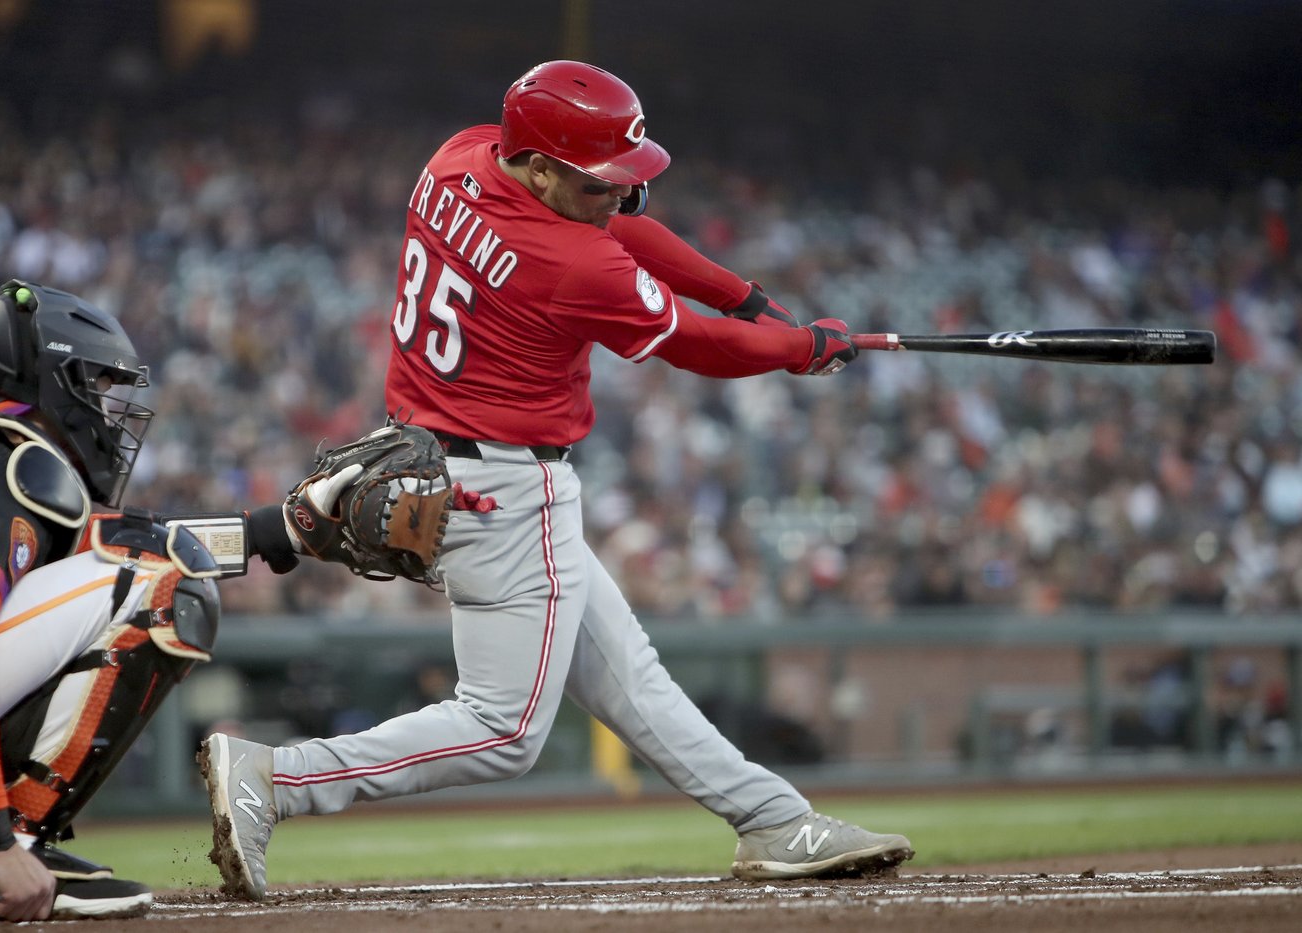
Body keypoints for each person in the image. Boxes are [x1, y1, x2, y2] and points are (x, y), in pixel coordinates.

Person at [200, 60, 912, 900]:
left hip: (431, 454)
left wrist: (746, 296)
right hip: (505, 490)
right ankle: (275, 778)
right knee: (504, 728)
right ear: (540, 168)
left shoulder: (459, 157)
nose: (619, 196)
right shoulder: (571, 265)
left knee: (630, 677)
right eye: (600, 181)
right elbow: (696, 346)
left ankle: (773, 819)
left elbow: (620, 232)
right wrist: (802, 346)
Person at [0, 281, 227, 921]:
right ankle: (6, 848)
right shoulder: (5, 462)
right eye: (98, 387)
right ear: (52, 381)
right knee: (163, 572)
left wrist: (279, 532)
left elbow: (95, 550)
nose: (109, 411)